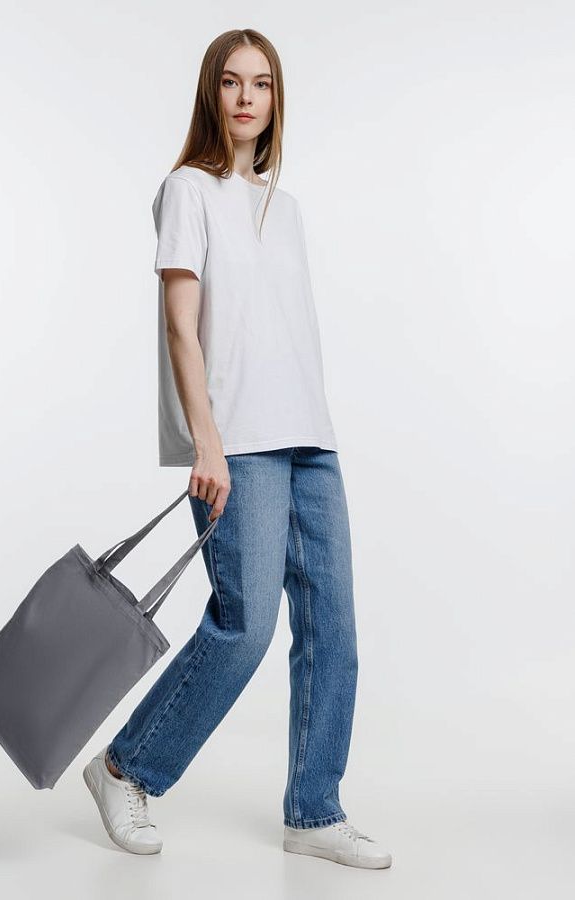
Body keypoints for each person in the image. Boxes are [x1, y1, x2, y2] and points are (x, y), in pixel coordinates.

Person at [83, 27, 392, 870]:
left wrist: (318, 432)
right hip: (239, 446)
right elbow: (180, 328)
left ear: (275, 98)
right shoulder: (186, 190)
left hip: (310, 441)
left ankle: (314, 811)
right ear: (211, 94)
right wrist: (207, 442)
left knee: (333, 631)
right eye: (231, 81)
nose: (247, 97)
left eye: (261, 83)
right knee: (243, 628)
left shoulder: (284, 209)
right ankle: (123, 769)